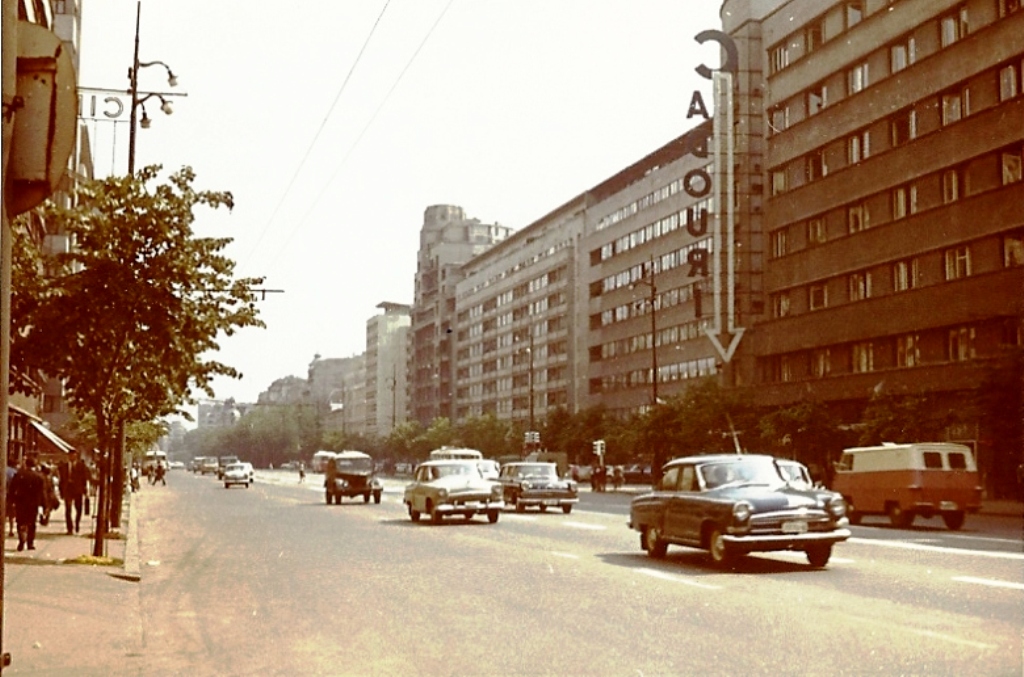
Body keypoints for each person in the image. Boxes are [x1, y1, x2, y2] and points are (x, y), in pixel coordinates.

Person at [9, 455, 46, 551]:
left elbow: (12, 488)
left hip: (21, 502)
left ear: (26, 464)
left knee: (20, 522)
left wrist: (11, 500)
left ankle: (21, 539)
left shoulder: (19, 475)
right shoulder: (39, 477)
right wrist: (44, 505)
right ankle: (30, 543)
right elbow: (42, 492)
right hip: (33, 503)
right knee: (32, 523)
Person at [58, 449, 90, 534]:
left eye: (74, 455)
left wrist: (85, 490)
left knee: (78, 509)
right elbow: (61, 480)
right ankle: (70, 528)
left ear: (76, 456)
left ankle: (77, 524)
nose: (72, 457)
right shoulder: (63, 466)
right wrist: (61, 491)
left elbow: (85, 479)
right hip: (67, 490)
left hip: (78, 490)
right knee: (68, 509)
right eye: (70, 455)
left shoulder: (81, 466)